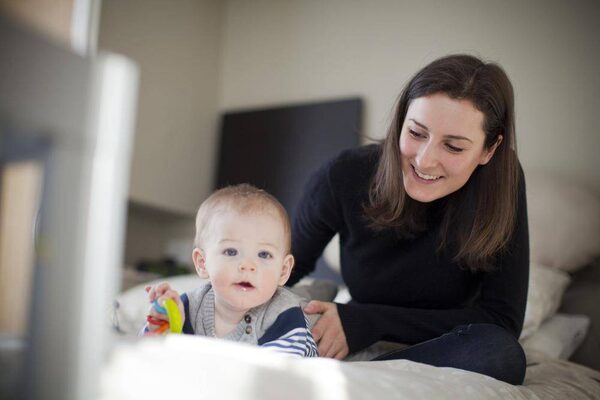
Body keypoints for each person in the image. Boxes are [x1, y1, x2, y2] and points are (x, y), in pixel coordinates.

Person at [288, 54, 529, 384]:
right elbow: (285, 267)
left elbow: (502, 320)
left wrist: (370, 320)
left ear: (489, 149)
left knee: (499, 353)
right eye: (416, 132)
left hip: (444, 345)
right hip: (356, 340)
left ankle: (360, 380)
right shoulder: (345, 173)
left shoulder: (502, 183)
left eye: (453, 147)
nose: (425, 161)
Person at [143, 184, 318, 357]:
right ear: (203, 263)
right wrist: (165, 325)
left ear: (283, 270)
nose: (248, 265)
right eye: (231, 252)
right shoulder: (188, 307)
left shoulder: (285, 314)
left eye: (264, 254)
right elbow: (153, 357)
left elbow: (276, 370)